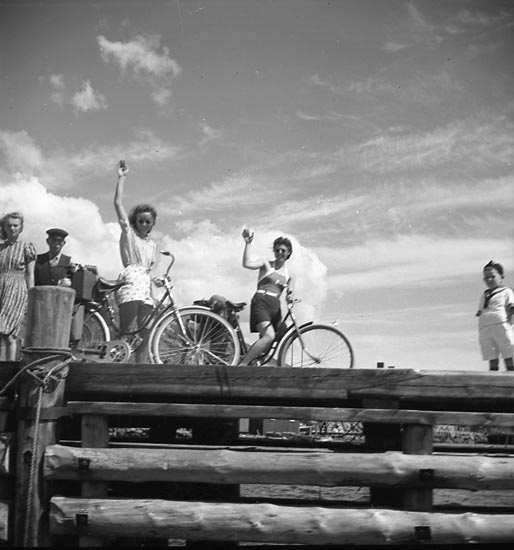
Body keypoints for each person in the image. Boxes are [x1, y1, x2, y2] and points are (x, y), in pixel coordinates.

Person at [114, 160, 157, 362]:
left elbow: (150, 270)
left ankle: (142, 369)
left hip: (146, 285)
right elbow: (117, 204)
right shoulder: (129, 234)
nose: (144, 224)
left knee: (146, 331)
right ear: (135, 221)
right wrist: (121, 178)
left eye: (148, 221)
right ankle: (118, 367)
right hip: (131, 279)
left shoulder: (152, 244)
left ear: (152, 223)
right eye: (141, 221)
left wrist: (155, 286)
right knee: (128, 330)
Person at [240, 228, 294, 366]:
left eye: (283, 250)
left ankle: (257, 361)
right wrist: (248, 243)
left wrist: (290, 297)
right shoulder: (266, 263)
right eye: (277, 250)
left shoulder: (289, 275)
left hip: (275, 307)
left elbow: (289, 293)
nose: (280, 253)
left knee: (280, 332)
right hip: (262, 301)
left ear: (288, 252)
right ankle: (242, 364)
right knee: (269, 336)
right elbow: (247, 264)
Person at [34, 228, 83, 344]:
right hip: (41, 304)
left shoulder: (69, 262)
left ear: (63, 243)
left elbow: (76, 284)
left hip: (61, 305)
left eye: (59, 241)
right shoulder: (38, 260)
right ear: (48, 241)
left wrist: (69, 283)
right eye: (53, 240)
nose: (56, 244)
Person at [0, 212, 36, 361]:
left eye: (15, 225)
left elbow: (30, 274)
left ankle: (10, 367)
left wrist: (31, 295)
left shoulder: (26, 247)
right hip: (1, 288)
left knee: (9, 334)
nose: (12, 228)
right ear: (4, 227)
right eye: (9, 225)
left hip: (16, 291)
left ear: (21, 228)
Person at [476, 260, 514, 371]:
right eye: (486, 278)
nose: (489, 280)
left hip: (501, 324)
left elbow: (511, 307)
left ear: (501, 277)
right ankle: (493, 374)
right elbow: (481, 310)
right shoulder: (484, 295)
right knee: (490, 353)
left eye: (492, 276)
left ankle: (511, 373)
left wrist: (511, 322)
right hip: (485, 327)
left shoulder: (506, 292)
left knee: (507, 351)